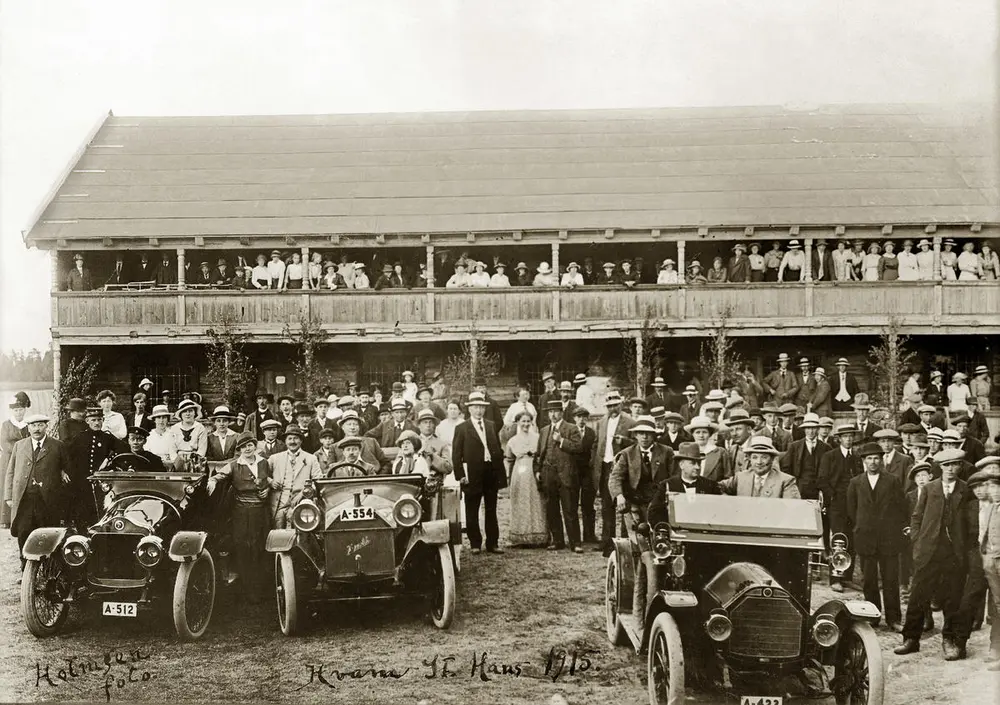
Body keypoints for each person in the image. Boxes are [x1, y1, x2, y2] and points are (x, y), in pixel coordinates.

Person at [895, 448, 971, 660]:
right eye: (946, 465)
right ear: (940, 467)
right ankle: (911, 639)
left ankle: (950, 640)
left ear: (960, 467)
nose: (950, 469)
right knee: (918, 595)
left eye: (955, 464)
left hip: (953, 553)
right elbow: (917, 516)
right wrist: (917, 541)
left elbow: (969, 523)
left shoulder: (966, 490)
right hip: (928, 550)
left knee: (952, 598)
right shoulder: (929, 488)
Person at [847, 442, 907, 631]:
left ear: (881, 460)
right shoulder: (856, 482)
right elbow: (851, 510)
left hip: (888, 538)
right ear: (864, 461)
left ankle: (894, 619)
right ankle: (873, 617)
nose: (873, 462)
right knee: (869, 580)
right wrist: (861, 526)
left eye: (876, 458)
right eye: (869, 458)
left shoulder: (892, 481)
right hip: (865, 538)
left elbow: (901, 507)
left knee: (890, 580)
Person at [5, 414, 70, 569]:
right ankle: (25, 569)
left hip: (47, 501)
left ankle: (47, 571)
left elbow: (68, 468)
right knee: (24, 534)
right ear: (28, 427)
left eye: (40, 425)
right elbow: (11, 471)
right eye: (33, 425)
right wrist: (8, 496)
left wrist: (62, 471)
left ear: (46, 426)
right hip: (24, 500)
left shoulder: (57, 445)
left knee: (47, 535)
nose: (37, 429)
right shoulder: (19, 445)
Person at [452, 392, 507, 555]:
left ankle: (493, 543)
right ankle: (475, 543)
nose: (479, 411)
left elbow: (497, 447)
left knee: (491, 508)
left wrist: (500, 471)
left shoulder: (490, 425)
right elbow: (456, 454)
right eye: (475, 407)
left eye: (481, 407)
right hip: (472, 473)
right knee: (472, 508)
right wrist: (460, 475)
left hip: (490, 471)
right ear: (469, 409)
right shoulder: (462, 428)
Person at [535, 401, 584, 552]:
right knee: (552, 508)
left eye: (556, 411)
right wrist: (538, 470)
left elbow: (578, 447)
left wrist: (561, 441)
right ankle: (558, 541)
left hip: (566, 474)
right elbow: (539, 453)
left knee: (569, 509)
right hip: (548, 473)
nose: (553, 415)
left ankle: (575, 543)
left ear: (561, 413)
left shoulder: (571, 428)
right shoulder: (544, 431)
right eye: (550, 412)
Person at [592, 391, 635, 556]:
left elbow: (637, 444)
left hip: (622, 468)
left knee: (624, 505)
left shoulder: (630, 422)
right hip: (605, 466)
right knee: (606, 506)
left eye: (615, 405)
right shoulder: (602, 422)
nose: (613, 408)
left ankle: (625, 541)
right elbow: (597, 443)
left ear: (621, 404)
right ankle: (607, 542)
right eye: (609, 406)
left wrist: (623, 442)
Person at [818, 424, 861, 591]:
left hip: (854, 504)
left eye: (851, 436)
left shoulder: (857, 457)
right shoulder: (830, 456)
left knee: (852, 541)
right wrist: (833, 497)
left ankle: (847, 577)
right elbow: (821, 480)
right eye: (845, 436)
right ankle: (835, 578)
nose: (849, 439)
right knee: (838, 540)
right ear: (839, 439)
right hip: (837, 505)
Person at [971, 459, 1000, 668]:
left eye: (999, 488)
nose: (995, 492)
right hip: (991, 562)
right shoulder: (989, 508)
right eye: (991, 488)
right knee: (998, 607)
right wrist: (986, 558)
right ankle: (996, 647)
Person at [267, 425, 323, 529]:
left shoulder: (311, 458)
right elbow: (263, 474)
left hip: (301, 504)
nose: (293, 441)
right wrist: (271, 482)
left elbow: (318, 481)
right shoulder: (275, 458)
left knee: (299, 531)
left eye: (296, 438)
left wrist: (303, 493)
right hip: (278, 504)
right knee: (277, 533)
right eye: (290, 439)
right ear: (285, 441)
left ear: (301, 441)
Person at [780, 413, 830, 499]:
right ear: (804, 429)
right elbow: (785, 467)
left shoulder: (826, 448)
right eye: (808, 428)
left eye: (813, 428)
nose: (810, 432)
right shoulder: (795, 447)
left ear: (818, 429)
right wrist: (793, 484)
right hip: (799, 487)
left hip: (819, 489)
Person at [685, 415, 732, 481]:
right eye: (697, 432)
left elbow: (728, 477)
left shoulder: (720, 452)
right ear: (692, 434)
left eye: (704, 432)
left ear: (710, 434)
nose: (701, 435)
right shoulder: (686, 451)